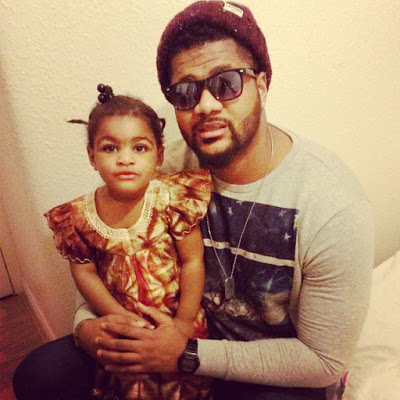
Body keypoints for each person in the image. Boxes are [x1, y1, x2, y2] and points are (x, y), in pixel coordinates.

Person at [13, 2, 374, 400]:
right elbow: (111, 260)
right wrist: (86, 326)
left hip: (270, 370)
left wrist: (187, 354)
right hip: (172, 336)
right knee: (39, 375)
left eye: (227, 83)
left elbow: (323, 362)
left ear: (262, 83)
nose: (205, 105)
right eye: (185, 91)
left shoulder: (332, 205)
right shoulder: (164, 169)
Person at [43, 84, 212, 400]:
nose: (125, 159)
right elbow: (85, 273)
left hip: (178, 321)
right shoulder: (77, 217)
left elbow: (193, 261)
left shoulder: (172, 199)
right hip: (125, 330)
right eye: (110, 148)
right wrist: (118, 317)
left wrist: (184, 323)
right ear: (92, 156)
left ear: (159, 155)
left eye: (139, 148)